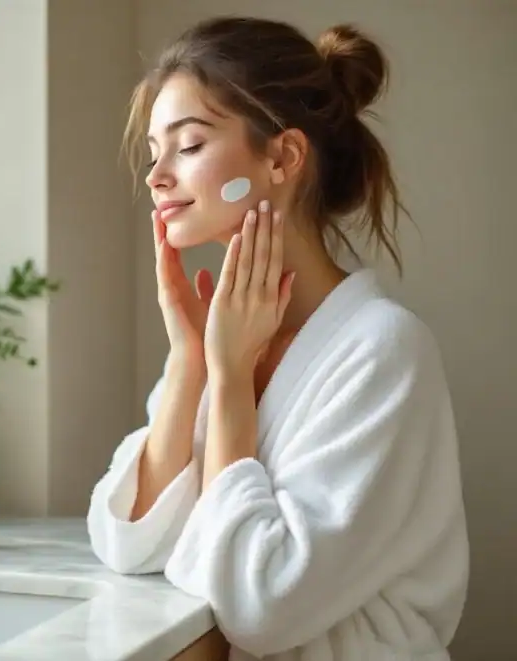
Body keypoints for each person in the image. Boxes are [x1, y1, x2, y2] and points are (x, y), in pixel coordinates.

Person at [87, 16, 469, 661]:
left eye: (188, 145)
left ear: (283, 157)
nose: (156, 177)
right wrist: (190, 365)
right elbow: (129, 544)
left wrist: (232, 381)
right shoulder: (226, 337)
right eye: (155, 152)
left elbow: (259, 607)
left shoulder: (383, 350)